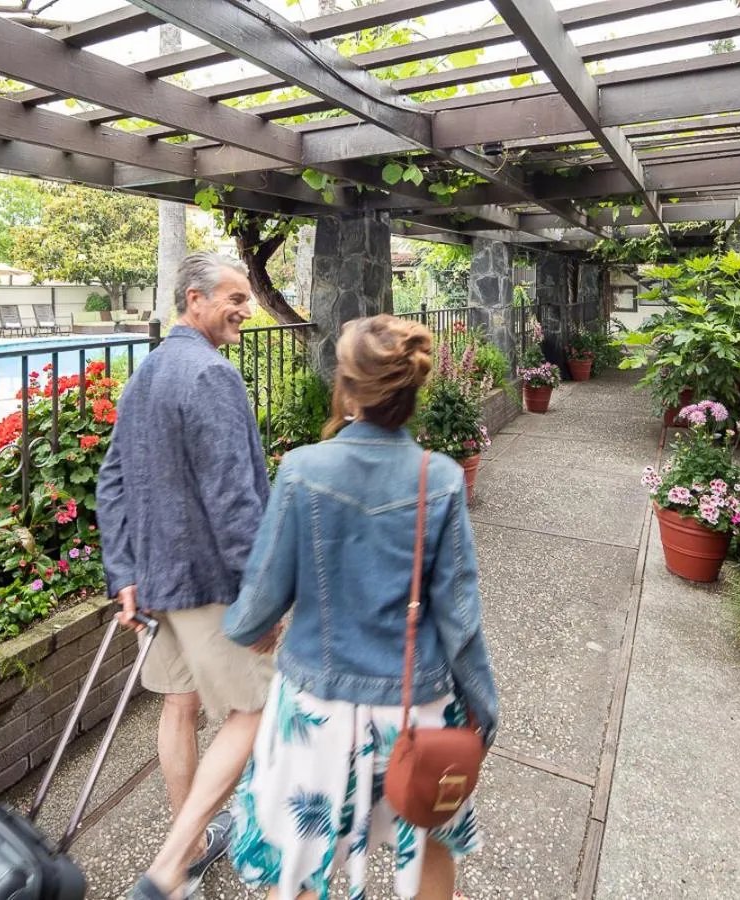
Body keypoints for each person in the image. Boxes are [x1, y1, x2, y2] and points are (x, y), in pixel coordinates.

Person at [222, 315, 499, 900]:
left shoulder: (302, 470)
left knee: (300, 868)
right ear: (412, 392)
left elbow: (260, 602)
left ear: (347, 390)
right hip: (417, 707)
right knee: (429, 843)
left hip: (316, 710)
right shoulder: (441, 478)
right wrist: (482, 704)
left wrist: (245, 626)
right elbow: (460, 616)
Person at [96, 252, 278, 900]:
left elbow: (111, 480)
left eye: (247, 298)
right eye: (235, 297)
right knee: (255, 710)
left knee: (179, 704)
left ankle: (192, 851)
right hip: (208, 583)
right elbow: (234, 501)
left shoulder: (146, 372)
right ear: (194, 299)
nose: (246, 310)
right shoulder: (212, 375)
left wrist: (124, 570)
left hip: (155, 582)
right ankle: (173, 864)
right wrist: (263, 596)